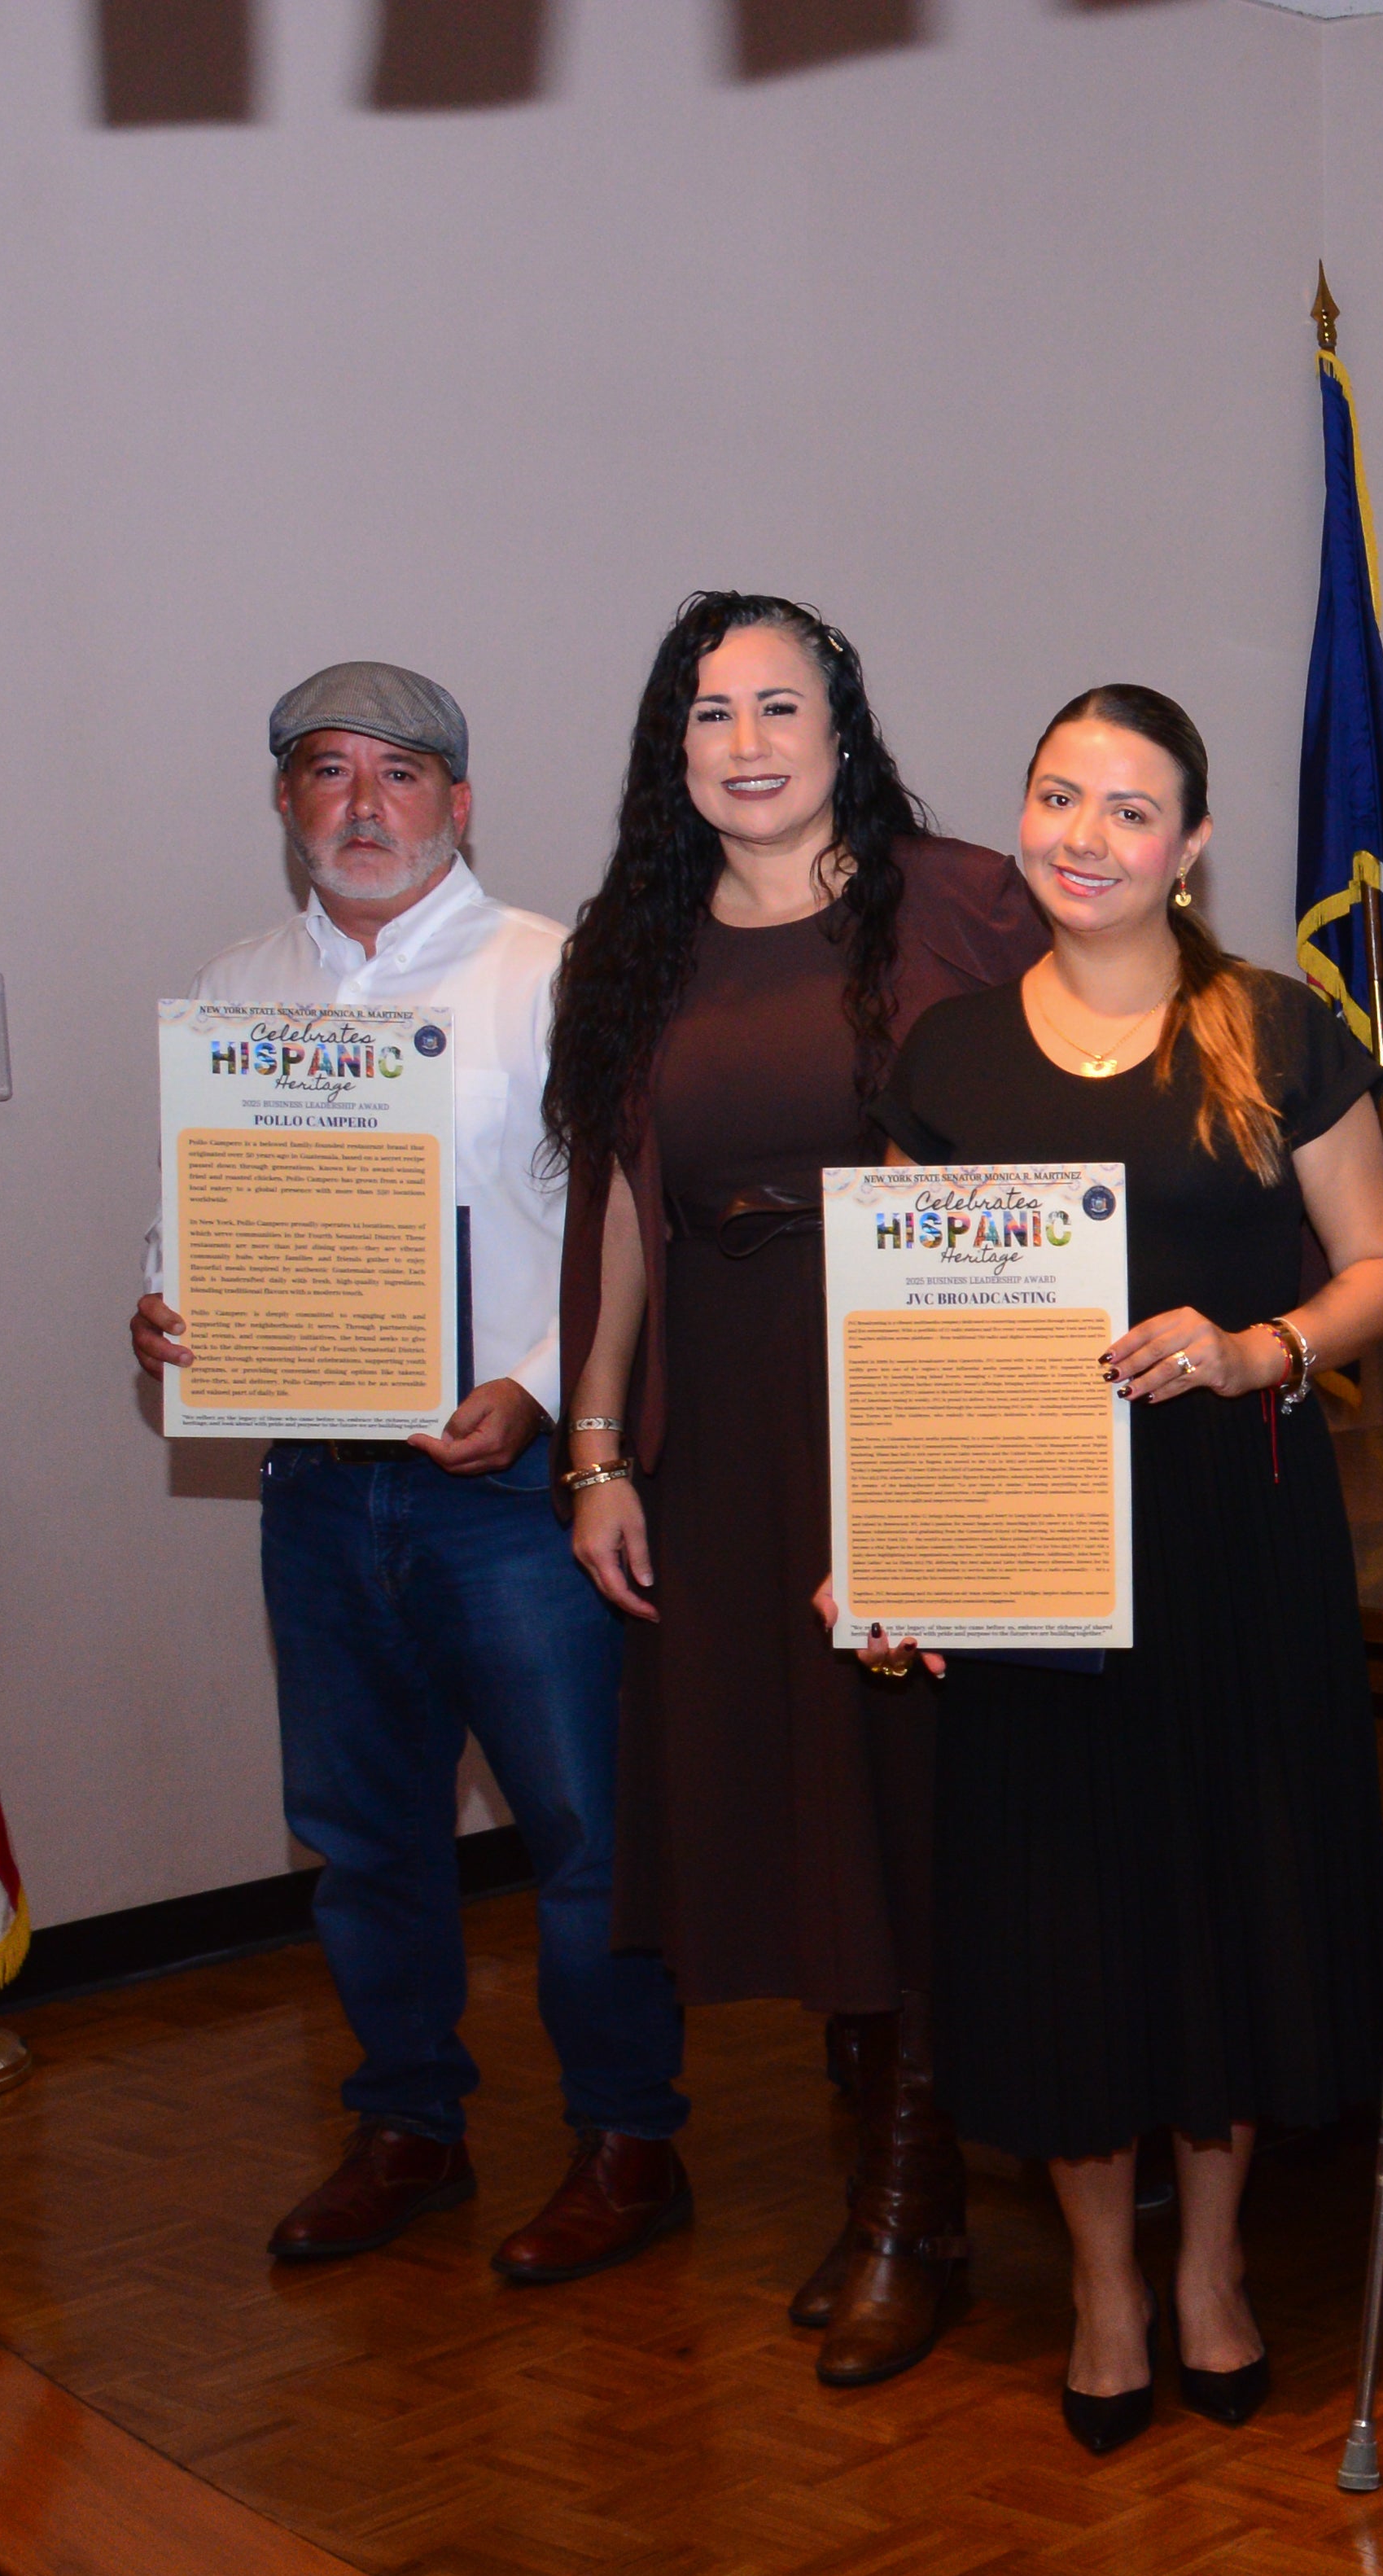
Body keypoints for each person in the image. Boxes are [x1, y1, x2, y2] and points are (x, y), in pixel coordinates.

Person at [837, 687, 1383, 2455]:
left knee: (1225, 1909)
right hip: (1025, 1565)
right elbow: (890, 1330)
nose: (1084, 835)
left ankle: (1216, 2271)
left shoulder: (1278, 1026)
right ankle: (1103, 2285)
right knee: (1064, 1929)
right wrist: (883, 1548)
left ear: (1194, 845)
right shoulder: (944, 1055)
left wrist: (1263, 1347)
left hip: (1236, 1540)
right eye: (1056, 797)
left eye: (1129, 807)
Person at [134, 663, 692, 2271]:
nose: (362, 804)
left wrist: (531, 1395)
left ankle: (630, 2140)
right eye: (326, 771)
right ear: (288, 803)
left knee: (583, 1834)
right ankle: (406, 2126)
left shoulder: (559, 975)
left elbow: (627, 1230)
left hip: (512, 1496)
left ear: (459, 798)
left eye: (399, 771)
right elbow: (194, 1220)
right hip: (318, 1486)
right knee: (362, 1832)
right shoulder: (239, 981)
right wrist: (166, 1313)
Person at [545, 592, 1045, 2374]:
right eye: (709, 714)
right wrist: (594, 1447)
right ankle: (887, 2193)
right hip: (729, 1418)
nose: (745, 743)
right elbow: (618, 1207)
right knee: (806, 1800)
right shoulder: (638, 941)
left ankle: (919, 2205)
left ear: (844, 730)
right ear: (670, 752)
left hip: (914, 1395)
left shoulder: (967, 900)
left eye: (780, 705)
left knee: (907, 1798)